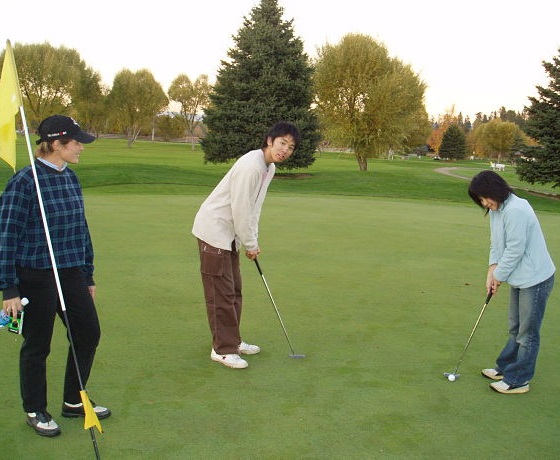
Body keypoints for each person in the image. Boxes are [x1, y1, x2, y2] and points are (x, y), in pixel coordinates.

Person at [0, 115, 111, 437]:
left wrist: (87, 275)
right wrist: (8, 288)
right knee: (38, 344)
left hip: (71, 272)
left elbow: (81, 229)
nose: (81, 148)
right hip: (34, 275)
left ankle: (74, 400)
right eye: (76, 142)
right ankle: (35, 408)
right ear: (56, 144)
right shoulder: (24, 182)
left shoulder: (70, 177)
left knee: (87, 333)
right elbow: (6, 236)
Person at [192, 121, 301, 369]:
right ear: (270, 140)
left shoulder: (268, 167)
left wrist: (252, 240)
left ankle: (233, 340)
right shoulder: (252, 165)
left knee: (234, 290)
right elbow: (240, 209)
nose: (285, 149)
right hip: (214, 231)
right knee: (221, 293)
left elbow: (254, 208)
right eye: (282, 143)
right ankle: (222, 349)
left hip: (230, 235)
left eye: (291, 147)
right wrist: (249, 243)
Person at [468, 170, 555, 394]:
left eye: (485, 197)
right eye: (480, 201)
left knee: (528, 333)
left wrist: (499, 276)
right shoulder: (497, 209)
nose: (484, 203)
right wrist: (491, 272)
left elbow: (515, 250)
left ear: (495, 190)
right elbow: (496, 245)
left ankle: (519, 380)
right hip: (520, 278)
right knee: (515, 327)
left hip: (535, 279)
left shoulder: (516, 209)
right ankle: (506, 367)